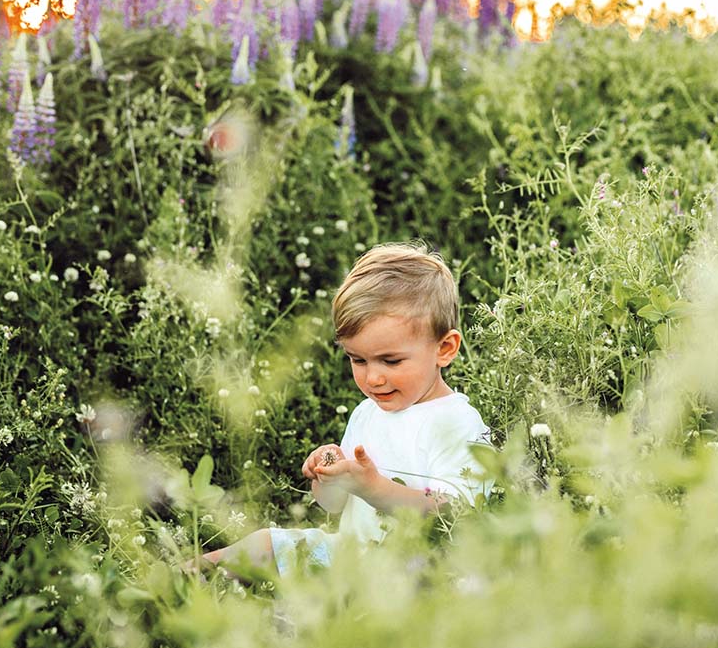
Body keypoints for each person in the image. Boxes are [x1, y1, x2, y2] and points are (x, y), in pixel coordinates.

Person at [189, 242, 492, 578]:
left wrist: (374, 488)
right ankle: (175, 581)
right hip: (352, 556)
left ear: (445, 348)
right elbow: (334, 506)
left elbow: (458, 515)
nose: (373, 378)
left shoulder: (455, 423)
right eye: (358, 360)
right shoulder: (367, 413)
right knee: (264, 545)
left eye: (391, 361)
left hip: (419, 571)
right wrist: (329, 478)